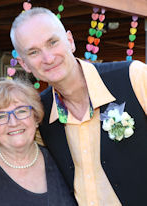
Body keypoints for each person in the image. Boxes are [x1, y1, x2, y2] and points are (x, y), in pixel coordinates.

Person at [10, 7, 147, 206]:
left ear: (70, 41)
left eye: (52, 42)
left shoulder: (134, 77)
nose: (48, 58)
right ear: (25, 65)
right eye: (34, 52)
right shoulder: (39, 113)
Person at [0, 78, 77, 206]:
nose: (13, 122)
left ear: (36, 117)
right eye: (1, 116)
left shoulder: (62, 160)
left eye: (21, 111)